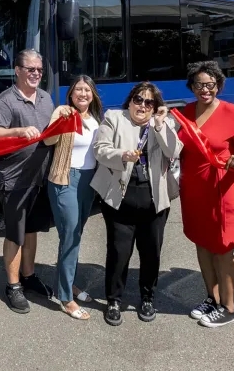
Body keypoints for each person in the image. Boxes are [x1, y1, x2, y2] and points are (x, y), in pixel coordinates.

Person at [91, 82, 182, 327]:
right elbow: (100, 149)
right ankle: (113, 300)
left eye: (149, 102)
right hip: (121, 198)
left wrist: (161, 124)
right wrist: (121, 155)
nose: (142, 105)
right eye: (138, 100)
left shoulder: (164, 124)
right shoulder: (114, 118)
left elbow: (174, 150)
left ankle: (148, 297)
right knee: (119, 253)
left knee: (151, 253)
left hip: (153, 200)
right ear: (130, 101)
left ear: (155, 107)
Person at [176, 61, 234, 329]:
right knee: (202, 242)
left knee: (223, 247)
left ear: (218, 86)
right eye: (199, 84)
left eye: (210, 84)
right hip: (194, 187)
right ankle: (212, 298)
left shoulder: (231, 112)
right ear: (192, 87)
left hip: (225, 186)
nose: (204, 89)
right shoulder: (186, 112)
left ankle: (230, 307)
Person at [0, 49, 56, 314]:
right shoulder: (6, 101)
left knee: (31, 231)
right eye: (30, 69)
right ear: (17, 71)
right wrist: (18, 131)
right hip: (15, 178)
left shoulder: (46, 98)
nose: (36, 74)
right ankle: (13, 285)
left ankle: (28, 276)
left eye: (39, 70)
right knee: (15, 234)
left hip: (40, 178)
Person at [44, 75, 103, 320]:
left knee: (75, 234)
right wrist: (62, 123)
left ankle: (66, 285)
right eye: (78, 89)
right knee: (69, 235)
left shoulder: (96, 118)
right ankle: (66, 297)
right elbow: (48, 140)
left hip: (89, 181)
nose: (82, 94)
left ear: (93, 94)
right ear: (71, 93)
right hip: (64, 178)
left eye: (87, 90)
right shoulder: (63, 111)